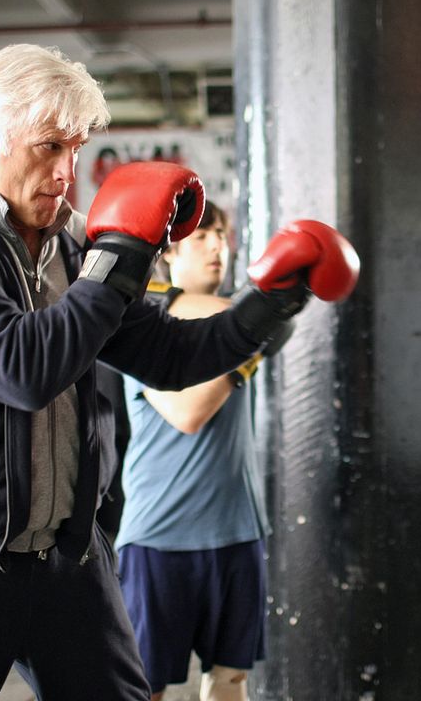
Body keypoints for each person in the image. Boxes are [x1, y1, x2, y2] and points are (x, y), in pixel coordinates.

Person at [0, 43, 359, 700]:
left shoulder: (74, 244)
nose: (67, 172)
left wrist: (267, 308)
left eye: (75, 149)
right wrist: (121, 255)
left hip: (65, 556)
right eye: (47, 147)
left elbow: (167, 355)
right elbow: (23, 366)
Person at [118, 201, 286, 701]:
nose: (218, 247)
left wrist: (253, 328)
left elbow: (235, 316)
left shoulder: (239, 322)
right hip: (160, 536)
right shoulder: (144, 326)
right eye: (201, 238)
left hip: (237, 529)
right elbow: (189, 414)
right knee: (145, 686)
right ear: (169, 254)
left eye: (222, 236)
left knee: (231, 680)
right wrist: (252, 342)